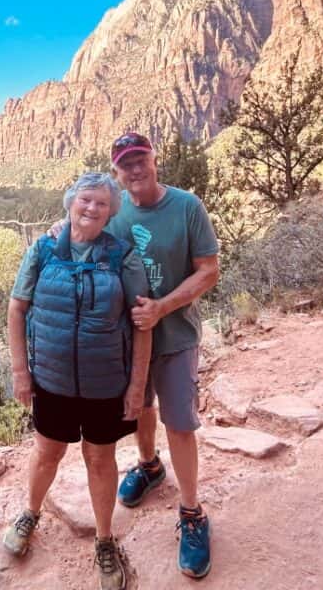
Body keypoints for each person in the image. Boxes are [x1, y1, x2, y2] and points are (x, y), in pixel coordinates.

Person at [3, 172, 153, 590]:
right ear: (70, 203)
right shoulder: (44, 248)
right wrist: (21, 371)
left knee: (100, 460)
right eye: (86, 200)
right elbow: (17, 309)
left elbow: (143, 325)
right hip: (51, 380)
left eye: (101, 203)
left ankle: (105, 540)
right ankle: (30, 513)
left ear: (111, 212)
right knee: (46, 452)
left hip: (106, 383)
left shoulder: (123, 256)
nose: (91, 208)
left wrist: (137, 388)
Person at [107, 132, 220, 580]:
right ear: (117, 171)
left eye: (140, 160)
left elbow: (208, 271)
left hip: (175, 336)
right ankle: (150, 466)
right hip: (132, 339)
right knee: (141, 407)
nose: (134, 170)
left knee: (180, 421)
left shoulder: (187, 206)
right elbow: (86, 232)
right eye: (125, 164)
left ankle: (192, 513)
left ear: (155, 160)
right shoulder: (115, 210)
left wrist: (162, 308)